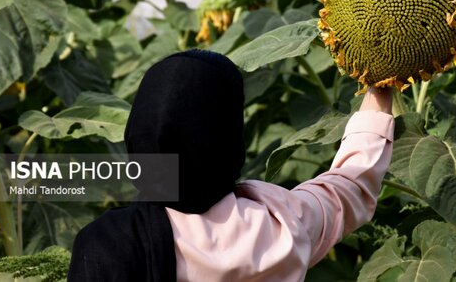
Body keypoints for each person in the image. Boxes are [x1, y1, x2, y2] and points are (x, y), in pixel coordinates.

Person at [68, 49, 394, 282]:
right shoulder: (280, 226)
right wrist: (382, 77)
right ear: (229, 138)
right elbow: (348, 188)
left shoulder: (107, 244)